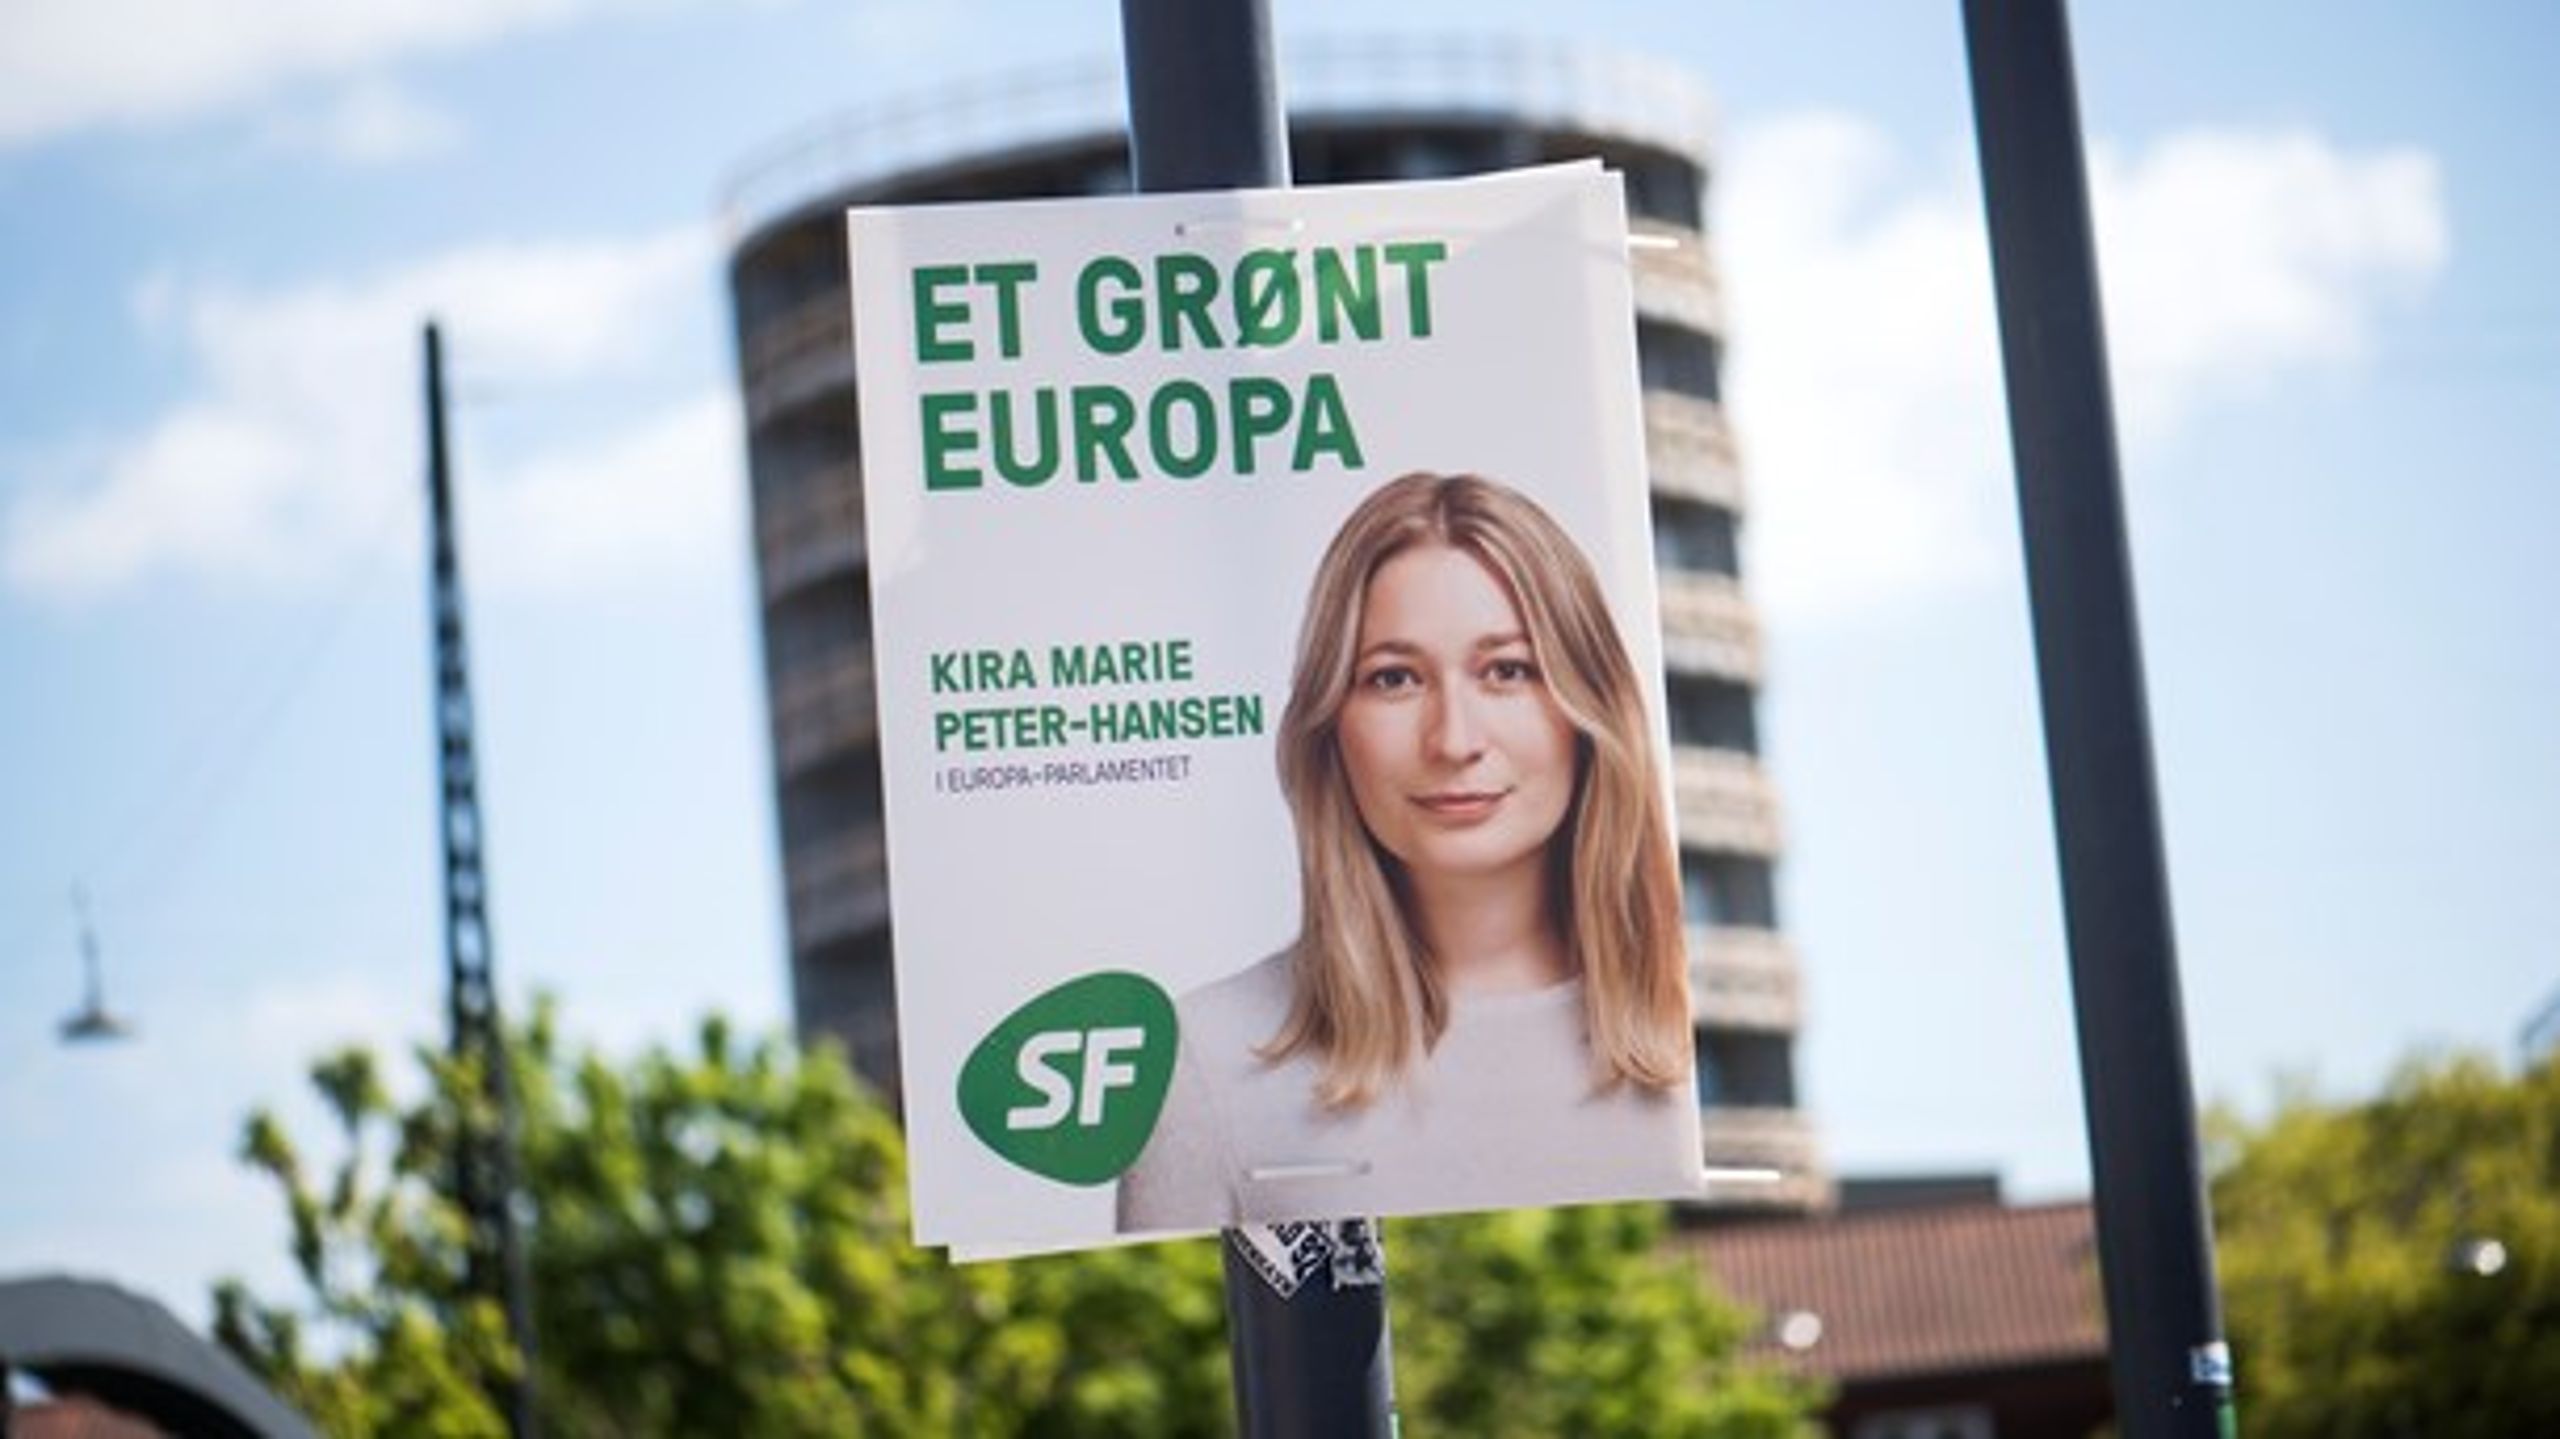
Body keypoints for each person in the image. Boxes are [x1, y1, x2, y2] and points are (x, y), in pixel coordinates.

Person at [1116, 471, 1698, 1233]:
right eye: (1394, 678)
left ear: (1590, 710)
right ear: (1330, 725)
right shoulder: (1203, 1057)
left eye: (1507, 671)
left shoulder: (1698, 1035)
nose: (1454, 739)